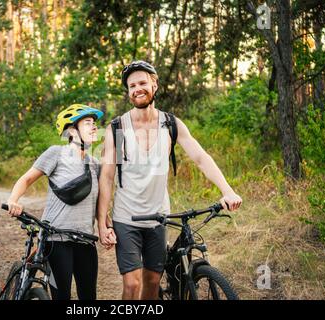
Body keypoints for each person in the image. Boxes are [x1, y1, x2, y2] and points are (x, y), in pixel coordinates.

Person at [97, 60, 243, 300]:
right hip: (127, 218)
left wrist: (227, 190)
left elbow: (200, 157)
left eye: (142, 82)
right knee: (132, 285)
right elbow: (107, 177)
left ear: (154, 84)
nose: (137, 89)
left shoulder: (171, 124)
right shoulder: (117, 128)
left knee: (152, 282)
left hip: (159, 216)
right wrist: (103, 223)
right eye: (132, 85)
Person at [7, 104, 104, 300]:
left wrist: (107, 226)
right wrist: (13, 200)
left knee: (89, 297)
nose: (94, 127)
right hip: (57, 239)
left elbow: (99, 204)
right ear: (71, 130)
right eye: (88, 123)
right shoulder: (56, 153)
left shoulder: (95, 164)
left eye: (94, 123)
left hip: (86, 240)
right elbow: (26, 179)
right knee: (62, 296)